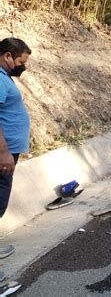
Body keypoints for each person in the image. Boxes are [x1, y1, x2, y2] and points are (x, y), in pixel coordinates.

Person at [0, 37, 32, 272]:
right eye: (22, 61)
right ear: (8, 56)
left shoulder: (4, 77)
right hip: (3, 153)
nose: (24, 66)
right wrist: (3, 152)